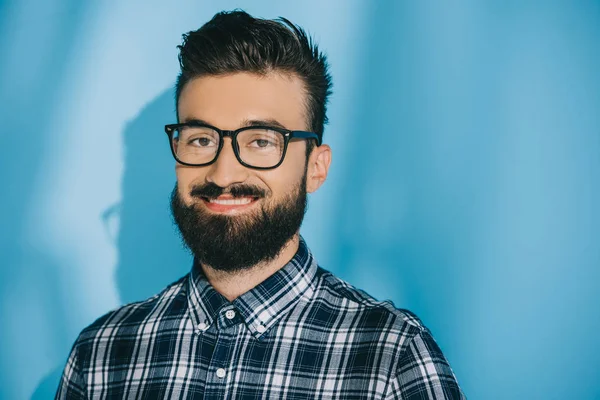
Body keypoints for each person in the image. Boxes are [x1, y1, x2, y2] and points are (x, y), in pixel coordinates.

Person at [56, 10, 464, 399]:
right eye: (201, 140)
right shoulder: (102, 354)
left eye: (261, 141)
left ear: (315, 168)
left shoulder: (391, 356)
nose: (224, 174)